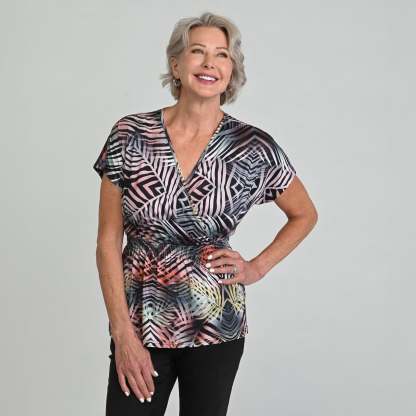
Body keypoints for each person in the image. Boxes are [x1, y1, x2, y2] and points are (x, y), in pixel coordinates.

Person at [93, 11, 318, 416]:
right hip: (141, 323)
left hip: (216, 325)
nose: (209, 63)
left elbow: (304, 214)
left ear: (231, 72)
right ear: (177, 65)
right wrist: (122, 333)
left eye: (221, 55)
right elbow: (108, 241)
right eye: (197, 51)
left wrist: (256, 267)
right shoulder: (130, 135)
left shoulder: (251, 146)